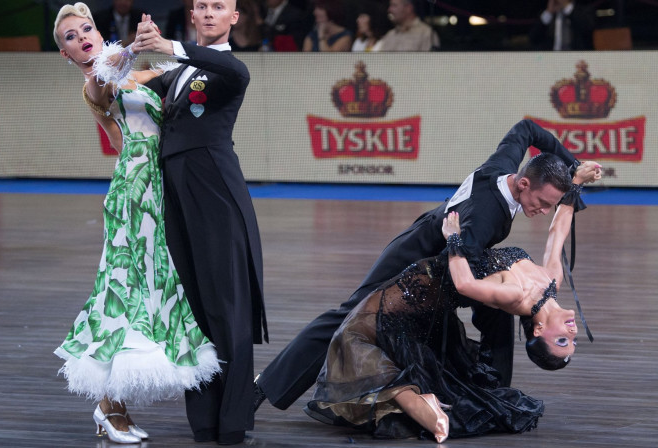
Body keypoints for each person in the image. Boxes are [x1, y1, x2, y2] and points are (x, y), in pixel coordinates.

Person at [255, 119, 602, 413]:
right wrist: (506, 293)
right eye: (541, 203)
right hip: (421, 261)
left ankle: (492, 387)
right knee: (349, 315)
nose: (542, 212)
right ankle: (265, 386)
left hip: (439, 244)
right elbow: (465, 271)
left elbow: (527, 129)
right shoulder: (486, 217)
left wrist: (573, 169)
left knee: (498, 310)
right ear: (524, 183)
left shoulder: (503, 167)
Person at [52, 2, 219, 444]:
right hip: (132, 194)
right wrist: (134, 42)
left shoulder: (128, 75)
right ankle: (110, 409)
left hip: (158, 190)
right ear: (65, 54)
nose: (81, 37)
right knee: (125, 291)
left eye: (85, 28)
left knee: (147, 289)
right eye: (71, 36)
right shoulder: (94, 83)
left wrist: (162, 46)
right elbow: (106, 82)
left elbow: (166, 71)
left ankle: (112, 406)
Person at [307, 191, 589, 441]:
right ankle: (415, 398)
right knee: (370, 336)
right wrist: (574, 184)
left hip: (421, 286)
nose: (573, 332)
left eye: (563, 341)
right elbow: (558, 231)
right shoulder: (551, 280)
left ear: (538, 331)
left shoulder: (517, 295)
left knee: (351, 336)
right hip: (427, 292)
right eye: (572, 341)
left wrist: (453, 237)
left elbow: (465, 284)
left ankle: (414, 401)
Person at [132, 0, 268, 444]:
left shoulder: (230, 70)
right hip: (177, 193)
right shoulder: (174, 72)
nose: (210, 13)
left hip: (215, 194)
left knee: (226, 304)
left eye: (220, 7)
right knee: (192, 308)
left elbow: (221, 66)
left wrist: (168, 45)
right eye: (202, 6)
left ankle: (233, 421)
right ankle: (205, 418)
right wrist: (109, 57)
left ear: (234, 17)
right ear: (192, 14)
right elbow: (127, 86)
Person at [529, 0, 595, 51]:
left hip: (577, 58)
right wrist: (549, 12)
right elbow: (533, 38)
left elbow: (587, 28)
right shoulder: (546, 14)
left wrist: (567, 7)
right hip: (551, 60)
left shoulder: (584, 9)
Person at [375, 0, 440, 51]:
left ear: (408, 8)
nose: (389, 9)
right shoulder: (390, 34)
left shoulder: (426, 33)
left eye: (394, 5)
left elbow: (428, 64)